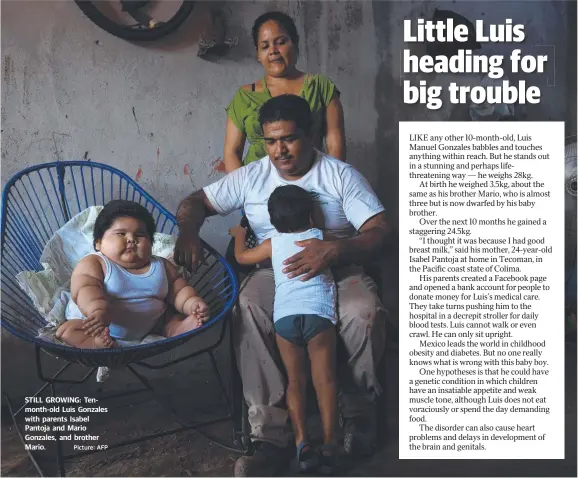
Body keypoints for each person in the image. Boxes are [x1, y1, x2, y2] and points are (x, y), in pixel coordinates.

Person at [175, 94, 388, 477]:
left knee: (362, 311)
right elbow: (195, 202)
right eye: (271, 141)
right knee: (251, 307)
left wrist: (335, 250)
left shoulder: (339, 175)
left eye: (288, 139)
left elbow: (380, 232)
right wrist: (188, 229)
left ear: (309, 136)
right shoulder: (253, 175)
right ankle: (270, 437)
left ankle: (356, 420)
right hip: (275, 270)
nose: (279, 150)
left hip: (338, 266)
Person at [229, 184, 339, 473]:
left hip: (286, 318)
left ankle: (302, 444)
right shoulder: (321, 238)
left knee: (295, 381)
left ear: (272, 221)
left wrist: (240, 235)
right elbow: (345, 248)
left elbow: (241, 258)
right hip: (318, 314)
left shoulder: (271, 244)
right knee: (324, 380)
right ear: (313, 217)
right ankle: (329, 445)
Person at [57, 200, 209, 349]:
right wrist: (96, 309)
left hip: (150, 324)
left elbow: (179, 291)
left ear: (151, 244)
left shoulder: (161, 266)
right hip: (98, 324)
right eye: (121, 233)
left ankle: (177, 329)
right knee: (67, 331)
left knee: (169, 319)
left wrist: (192, 303)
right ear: (98, 242)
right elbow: (85, 287)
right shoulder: (96, 263)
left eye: (140, 235)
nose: (131, 239)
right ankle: (95, 344)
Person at [223, 11, 345, 173]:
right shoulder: (244, 96)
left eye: (280, 42)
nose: (273, 50)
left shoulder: (320, 87)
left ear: (295, 43)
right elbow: (232, 152)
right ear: (258, 55)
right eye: (265, 46)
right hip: (256, 187)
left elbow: (335, 145)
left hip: (311, 181)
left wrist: (325, 187)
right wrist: (243, 192)